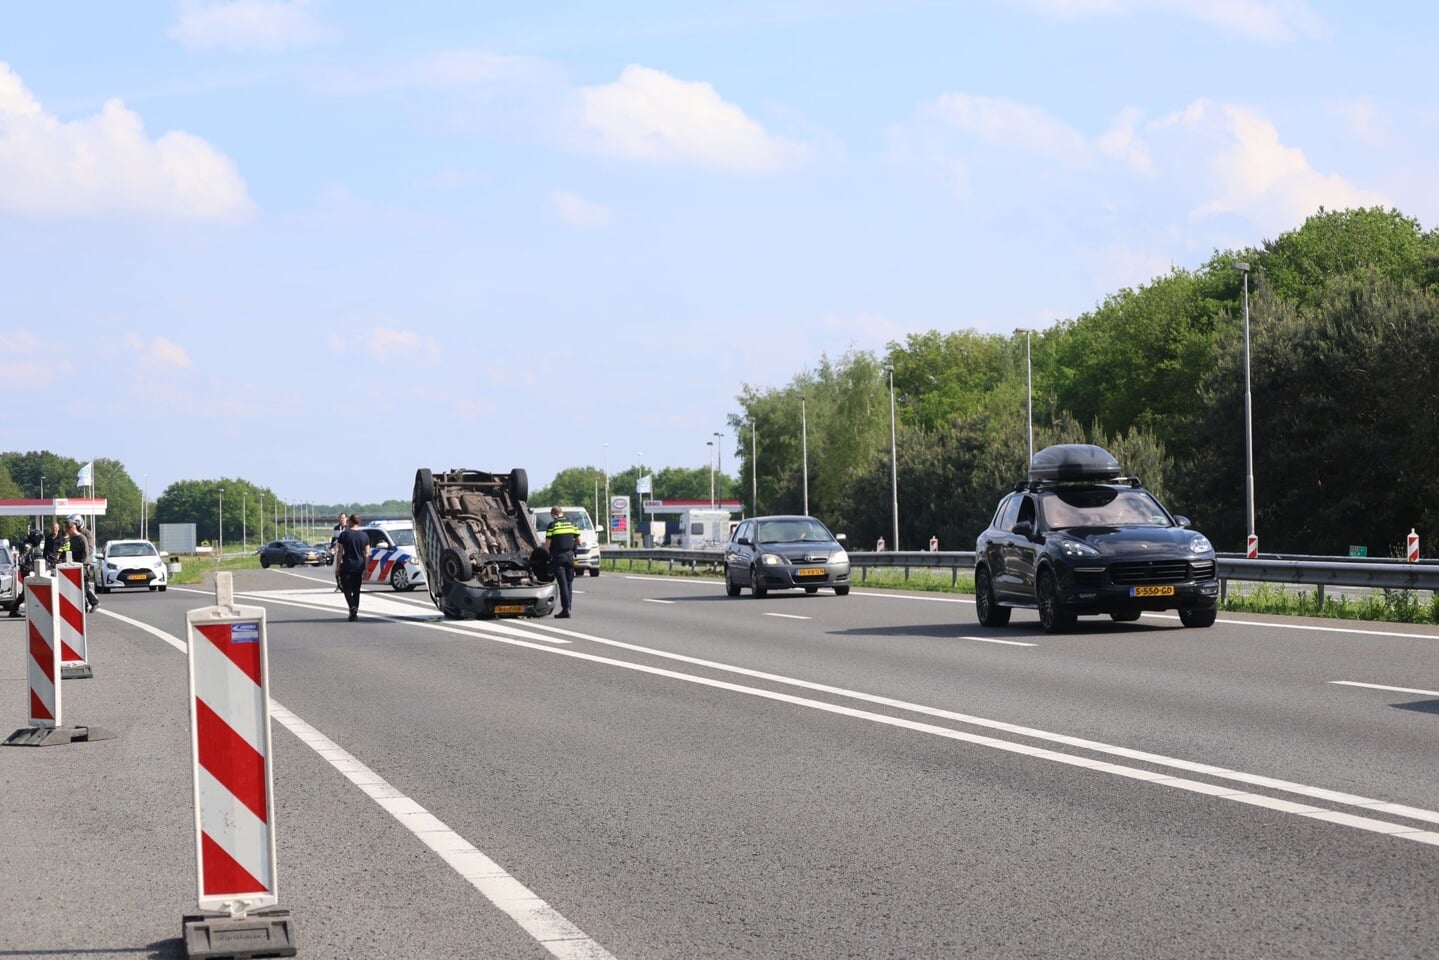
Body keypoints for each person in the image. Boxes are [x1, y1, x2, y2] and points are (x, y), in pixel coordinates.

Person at [545, 506, 580, 618]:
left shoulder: (552, 525)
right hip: (570, 556)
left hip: (559, 557)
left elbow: (548, 545)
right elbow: (579, 541)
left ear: (553, 514)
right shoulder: (572, 524)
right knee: (569, 583)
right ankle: (568, 607)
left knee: (563, 584)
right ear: (562, 513)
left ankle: (565, 609)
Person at [334, 513, 369, 622]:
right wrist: (366, 568)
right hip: (359, 565)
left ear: (350, 522)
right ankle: (354, 613)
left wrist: (338, 566)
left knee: (346, 589)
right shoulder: (364, 536)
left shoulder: (344, 535)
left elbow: (340, 552)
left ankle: (352, 607)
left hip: (348, 565)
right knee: (356, 589)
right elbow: (367, 553)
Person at [67, 516, 100, 613]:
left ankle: (93, 602)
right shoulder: (73, 536)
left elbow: (89, 549)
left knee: (84, 585)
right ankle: (85, 604)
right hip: (76, 562)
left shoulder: (86, 534)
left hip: (85, 562)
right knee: (79, 585)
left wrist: (84, 562)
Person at [331, 512, 348, 592]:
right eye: (340, 518)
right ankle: (339, 584)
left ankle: (346, 584)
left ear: (346, 518)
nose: (341, 519)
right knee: (336, 568)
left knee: (346, 568)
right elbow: (333, 539)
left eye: (343, 518)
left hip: (346, 550)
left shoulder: (348, 528)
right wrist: (332, 548)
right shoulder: (336, 528)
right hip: (338, 550)